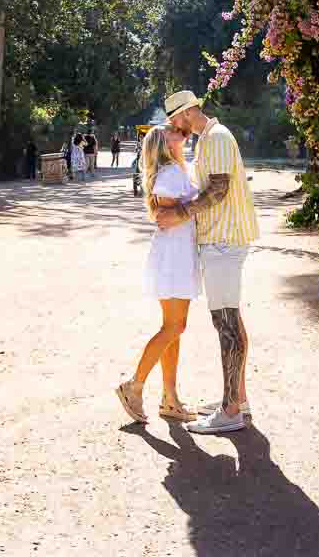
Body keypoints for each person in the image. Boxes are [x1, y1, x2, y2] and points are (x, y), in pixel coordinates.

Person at [155, 90, 259, 436]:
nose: (175, 127)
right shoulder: (212, 138)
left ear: (185, 114)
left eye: (174, 121)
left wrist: (179, 214)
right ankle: (237, 399)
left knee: (226, 324)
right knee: (231, 320)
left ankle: (231, 410)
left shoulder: (214, 138)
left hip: (224, 242)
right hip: (223, 241)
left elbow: (217, 191)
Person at [115, 125, 200, 424]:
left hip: (177, 253)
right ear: (164, 144)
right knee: (174, 327)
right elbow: (167, 216)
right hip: (174, 256)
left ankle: (170, 398)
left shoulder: (176, 169)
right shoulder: (169, 174)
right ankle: (133, 386)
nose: (182, 132)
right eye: (174, 132)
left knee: (174, 328)